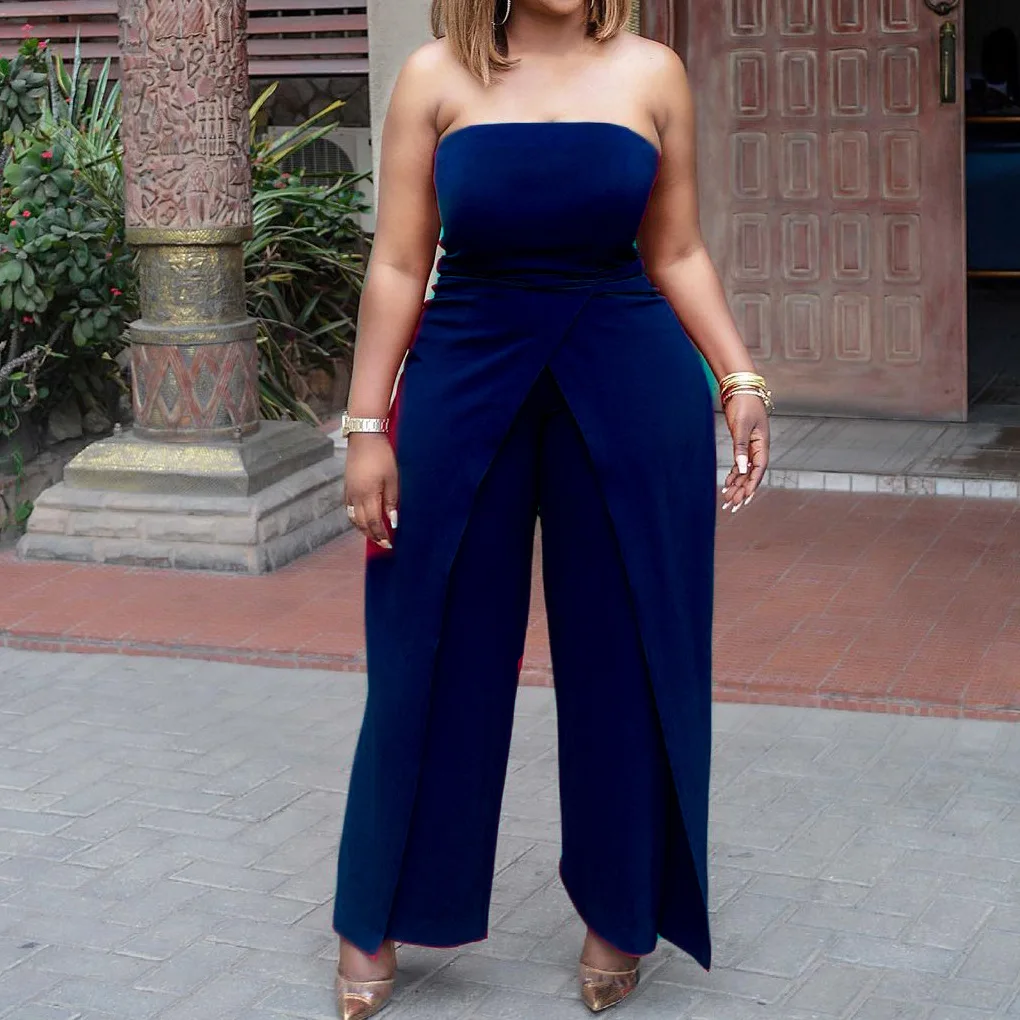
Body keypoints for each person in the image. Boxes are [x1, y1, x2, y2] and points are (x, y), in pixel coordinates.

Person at [331, 0, 771, 1016]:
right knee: (424, 647)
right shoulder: (434, 76)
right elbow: (398, 261)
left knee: (632, 651)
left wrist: (739, 375)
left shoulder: (653, 72)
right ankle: (376, 910)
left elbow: (676, 250)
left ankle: (622, 910)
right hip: (463, 373)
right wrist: (365, 426)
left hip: (629, 376)